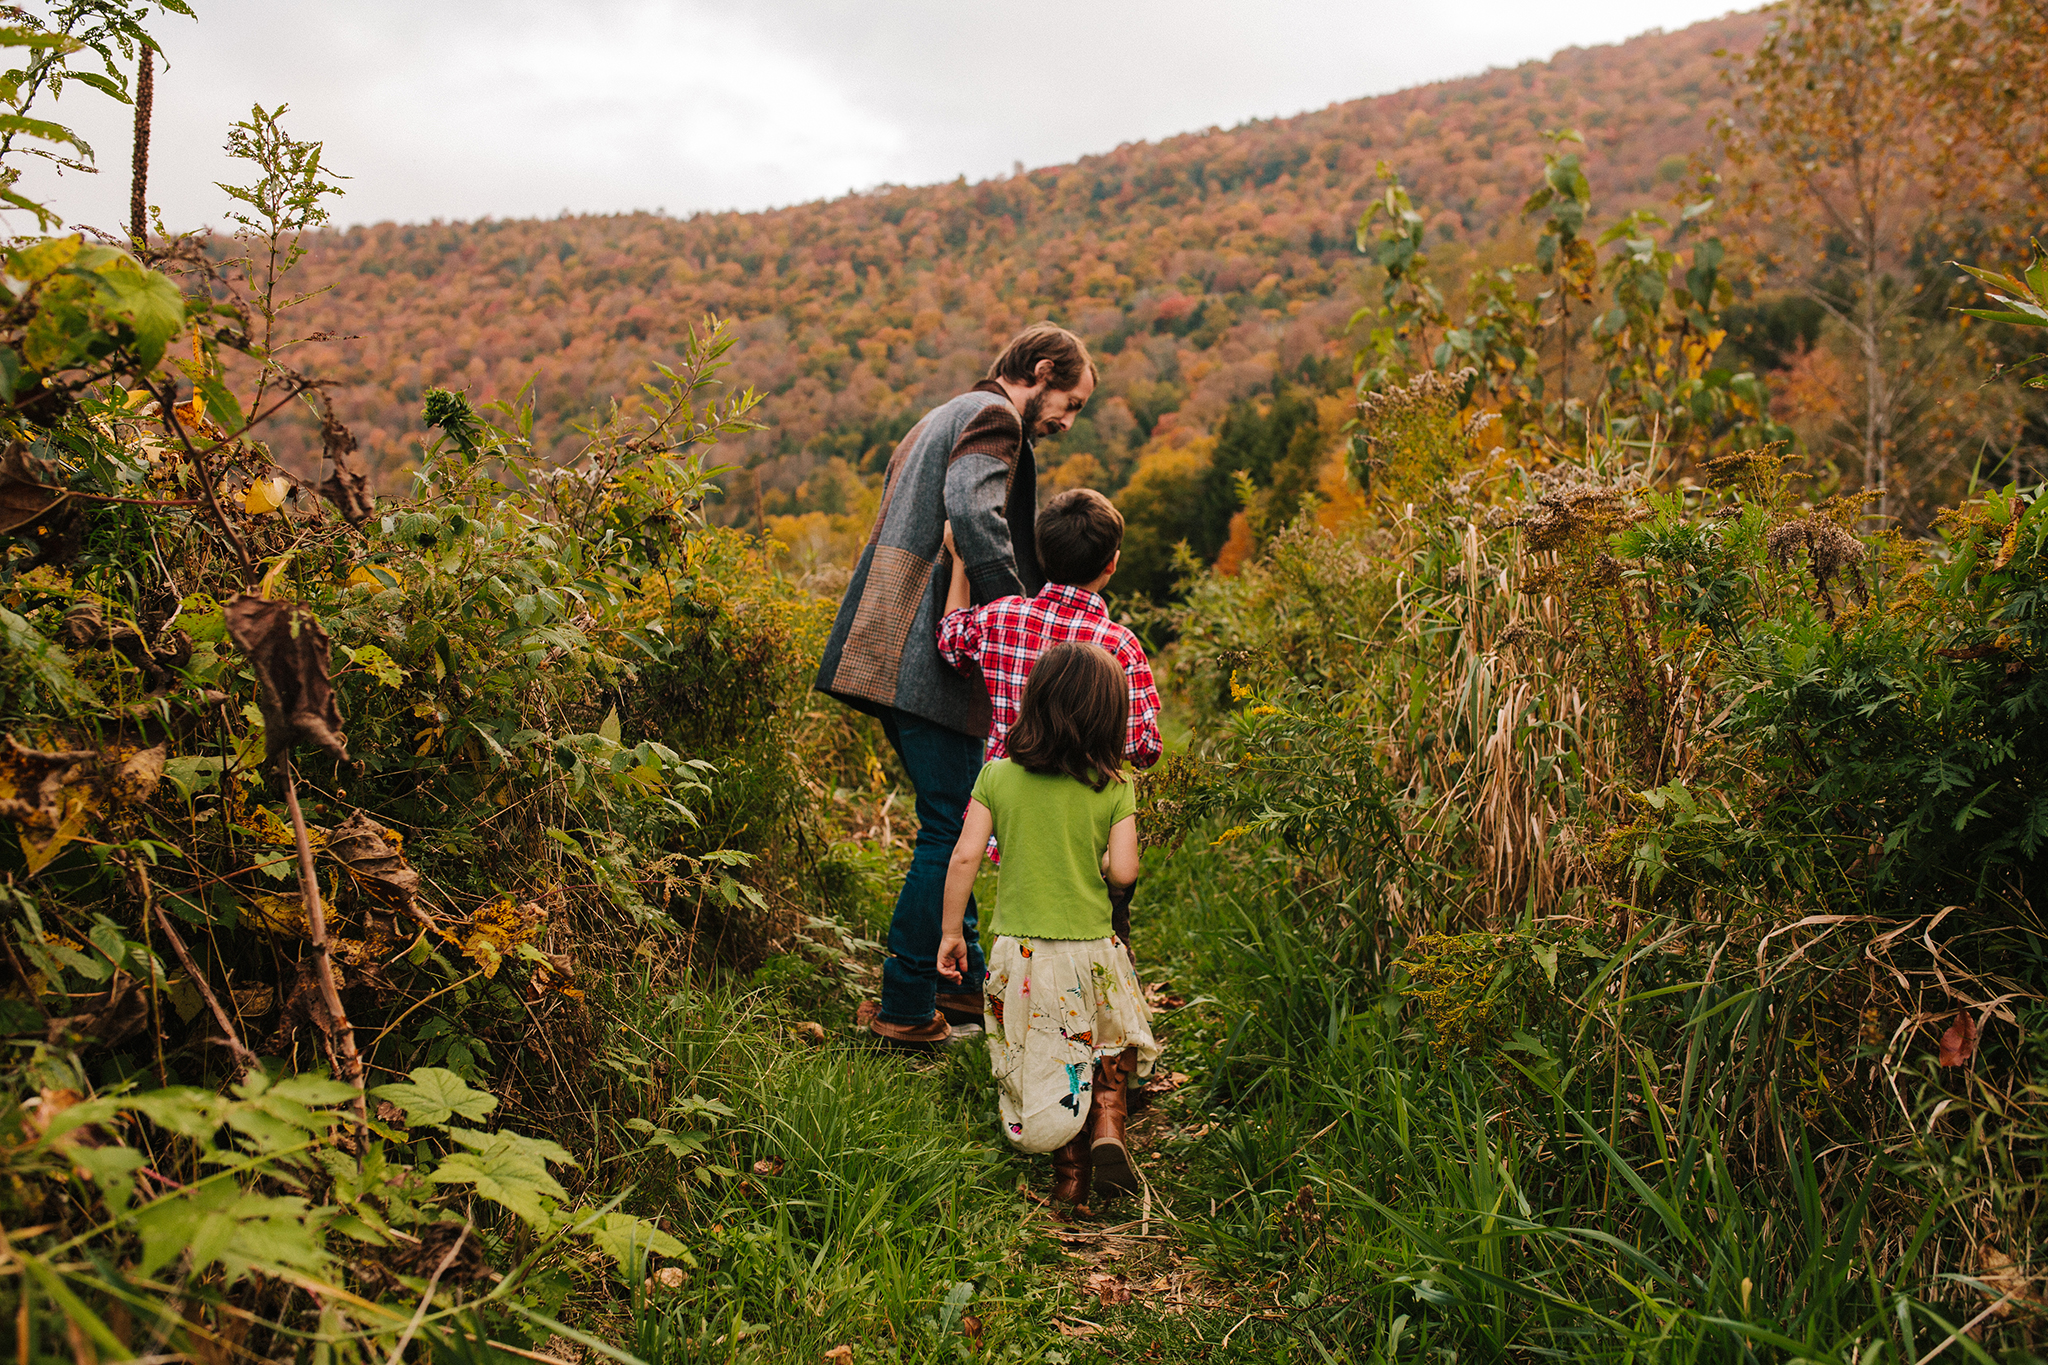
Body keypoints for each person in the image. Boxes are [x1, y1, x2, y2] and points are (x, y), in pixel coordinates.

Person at [816, 323, 1097, 1047]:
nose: (1067, 421)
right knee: (947, 826)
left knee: (959, 808)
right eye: (1070, 401)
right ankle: (905, 1008)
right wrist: (1013, 617)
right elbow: (974, 511)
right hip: (928, 656)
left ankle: (961, 985)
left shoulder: (937, 415)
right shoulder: (996, 417)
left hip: (883, 638)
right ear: (1040, 371)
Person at [936, 642, 1160, 1210]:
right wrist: (1100, 859)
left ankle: (1071, 1177)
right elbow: (1125, 870)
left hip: (1023, 956)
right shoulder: (1114, 785)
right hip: (1090, 948)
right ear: (1110, 717)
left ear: (1035, 703)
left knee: (1046, 1053)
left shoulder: (998, 776)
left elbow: (964, 856)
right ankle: (1109, 1117)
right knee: (1108, 1034)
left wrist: (951, 934)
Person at [936, 486, 1162, 947]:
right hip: (1089, 818)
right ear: (1111, 563)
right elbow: (1144, 749)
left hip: (1013, 810)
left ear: (1038, 556)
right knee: (1100, 938)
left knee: (1023, 921)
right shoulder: (1119, 645)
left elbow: (950, 639)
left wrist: (959, 562)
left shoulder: (1002, 617)